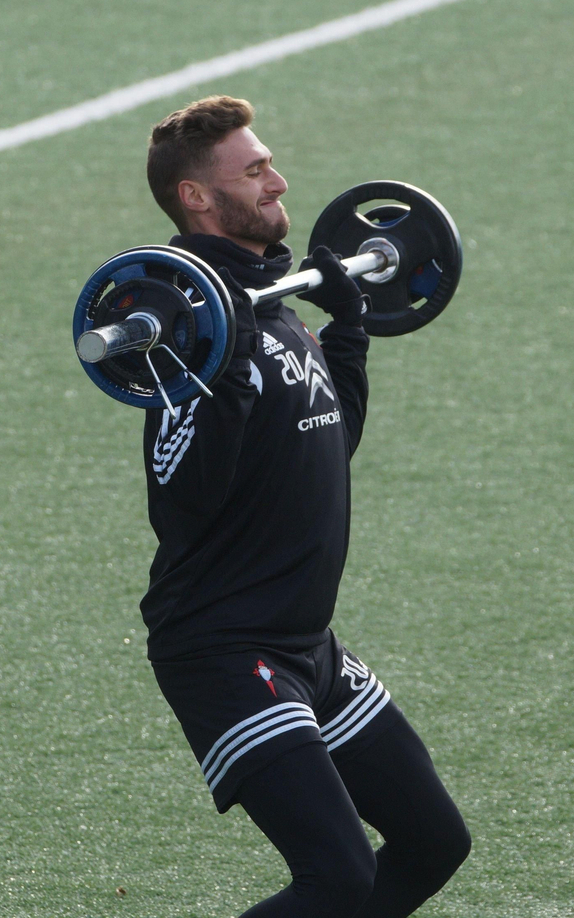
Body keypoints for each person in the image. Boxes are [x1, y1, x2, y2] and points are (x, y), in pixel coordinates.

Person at [138, 96, 471, 917]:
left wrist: (349, 333)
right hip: (223, 648)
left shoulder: (273, 307)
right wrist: (220, 379)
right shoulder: (193, 333)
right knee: (340, 878)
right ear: (197, 198)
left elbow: (328, 439)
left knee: (434, 839)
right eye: (253, 171)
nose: (278, 180)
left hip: (306, 645)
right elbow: (180, 504)